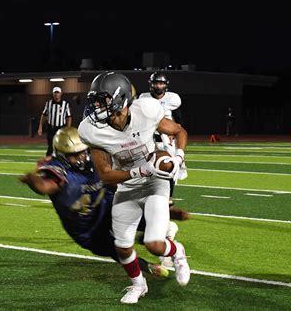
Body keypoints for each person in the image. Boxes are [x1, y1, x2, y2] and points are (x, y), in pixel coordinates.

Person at [78, 71, 190, 304]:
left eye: (103, 99)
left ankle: (176, 251)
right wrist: (139, 171)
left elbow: (179, 131)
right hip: (127, 186)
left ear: (120, 99)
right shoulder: (92, 130)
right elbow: (106, 176)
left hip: (155, 182)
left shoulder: (146, 110)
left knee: (154, 243)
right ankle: (139, 284)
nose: (97, 105)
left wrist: (178, 158)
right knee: (122, 246)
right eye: (95, 100)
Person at [19, 127, 169, 279]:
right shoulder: (59, 169)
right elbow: (44, 186)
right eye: (74, 155)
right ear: (62, 155)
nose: (81, 158)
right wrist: (31, 178)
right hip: (86, 227)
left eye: (83, 151)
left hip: (104, 206)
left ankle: (156, 238)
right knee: (115, 249)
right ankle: (146, 266)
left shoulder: (94, 157)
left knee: (140, 214)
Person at [139, 71, 189, 221]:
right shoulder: (143, 98)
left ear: (165, 85)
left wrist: (174, 131)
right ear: (151, 84)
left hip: (168, 140)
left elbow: (180, 121)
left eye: (161, 83)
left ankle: (168, 198)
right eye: (156, 83)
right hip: (149, 140)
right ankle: (148, 198)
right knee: (147, 168)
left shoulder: (173, 99)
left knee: (172, 169)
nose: (158, 86)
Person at [37, 86, 72, 157]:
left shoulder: (65, 104)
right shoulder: (48, 103)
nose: (56, 94)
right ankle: (48, 163)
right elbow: (44, 115)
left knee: (60, 146)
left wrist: (68, 128)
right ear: (53, 94)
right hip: (51, 128)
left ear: (61, 93)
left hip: (60, 128)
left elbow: (68, 117)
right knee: (50, 145)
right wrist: (40, 127)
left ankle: (60, 162)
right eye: (55, 93)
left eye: (58, 92)